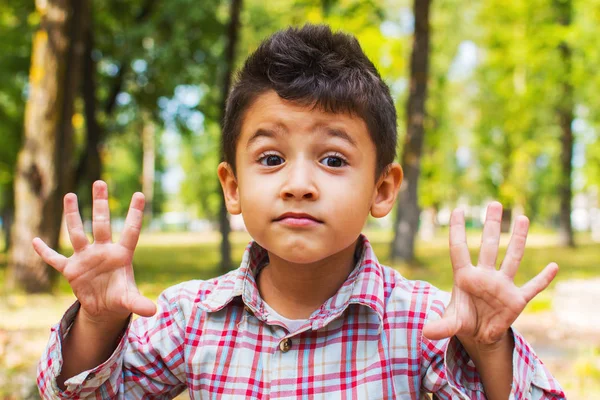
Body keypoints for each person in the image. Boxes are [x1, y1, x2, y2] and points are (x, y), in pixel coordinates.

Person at [35, 24, 564, 399]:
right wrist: (98, 325)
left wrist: (489, 348)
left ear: (382, 189)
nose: (299, 185)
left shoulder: (423, 323)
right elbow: (79, 394)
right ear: (233, 186)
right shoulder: (190, 317)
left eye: (333, 159)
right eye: (271, 158)